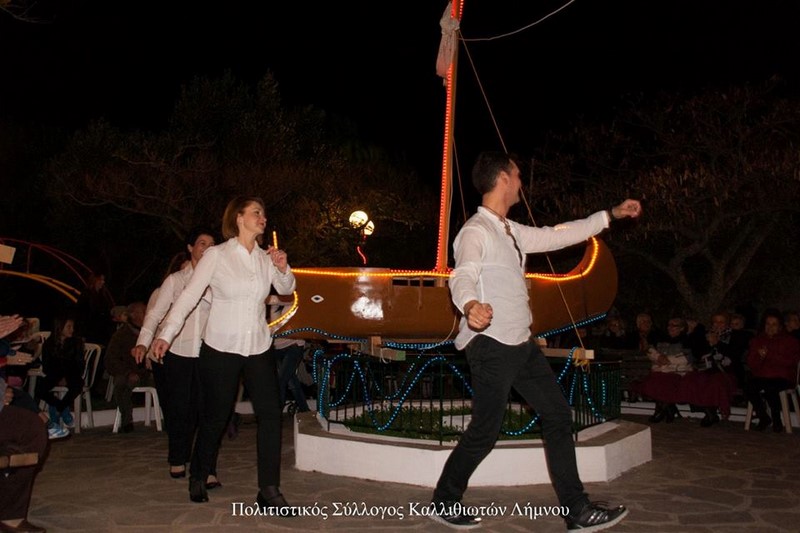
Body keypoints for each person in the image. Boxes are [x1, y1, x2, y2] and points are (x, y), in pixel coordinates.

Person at [430, 152, 640, 531]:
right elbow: (462, 275)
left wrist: (609, 215)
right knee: (485, 432)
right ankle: (444, 500)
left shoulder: (510, 230)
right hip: (491, 344)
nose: (521, 182)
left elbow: (557, 234)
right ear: (503, 179)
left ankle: (576, 510)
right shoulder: (476, 231)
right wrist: (470, 304)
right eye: (517, 175)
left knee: (558, 416)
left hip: (521, 344)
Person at [152, 196, 297, 512]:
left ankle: (269, 490)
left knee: (271, 414)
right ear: (239, 218)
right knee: (216, 416)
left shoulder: (264, 258)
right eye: (256, 212)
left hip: (258, 346)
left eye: (264, 212)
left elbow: (286, 288)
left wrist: (283, 267)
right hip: (221, 347)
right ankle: (199, 473)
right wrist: (165, 334)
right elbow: (189, 296)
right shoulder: (217, 255)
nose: (263, 217)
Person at [132, 228, 219, 485]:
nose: (207, 247)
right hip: (178, 353)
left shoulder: (219, 281)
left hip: (209, 353)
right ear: (191, 248)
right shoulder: (175, 280)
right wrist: (142, 342)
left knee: (208, 413)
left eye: (212, 244)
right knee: (179, 410)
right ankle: (178, 458)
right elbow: (154, 315)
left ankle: (207, 468)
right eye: (202, 243)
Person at [745, 309, 800, 432]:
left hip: (783, 376)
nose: (770, 327)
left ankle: (776, 419)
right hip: (762, 375)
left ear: (780, 326)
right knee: (749, 387)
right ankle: (763, 416)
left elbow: (791, 361)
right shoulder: (757, 341)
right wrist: (760, 357)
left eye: (774, 324)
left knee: (771, 387)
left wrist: (770, 355)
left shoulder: (790, 341)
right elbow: (751, 363)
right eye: (768, 324)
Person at [105, 302, 151, 433]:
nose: (147, 315)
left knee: (127, 382)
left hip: (145, 373)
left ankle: (126, 418)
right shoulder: (121, 335)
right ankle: (127, 419)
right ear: (133, 315)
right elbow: (110, 359)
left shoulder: (149, 332)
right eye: (143, 312)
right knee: (121, 382)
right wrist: (127, 372)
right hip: (126, 372)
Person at [37, 315, 85, 430]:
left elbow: (79, 363)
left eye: (72, 327)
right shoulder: (49, 344)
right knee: (40, 389)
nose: (72, 330)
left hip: (72, 373)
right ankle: (61, 407)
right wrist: (57, 378)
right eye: (68, 327)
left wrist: (66, 377)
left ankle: (58, 409)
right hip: (55, 373)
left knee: (77, 385)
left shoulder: (76, 343)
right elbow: (46, 365)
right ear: (59, 327)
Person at [271, 305, 310, 414]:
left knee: (281, 381)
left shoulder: (295, 303)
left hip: (293, 346)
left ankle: (276, 414)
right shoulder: (274, 304)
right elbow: (274, 327)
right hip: (277, 348)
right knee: (292, 382)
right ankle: (305, 410)